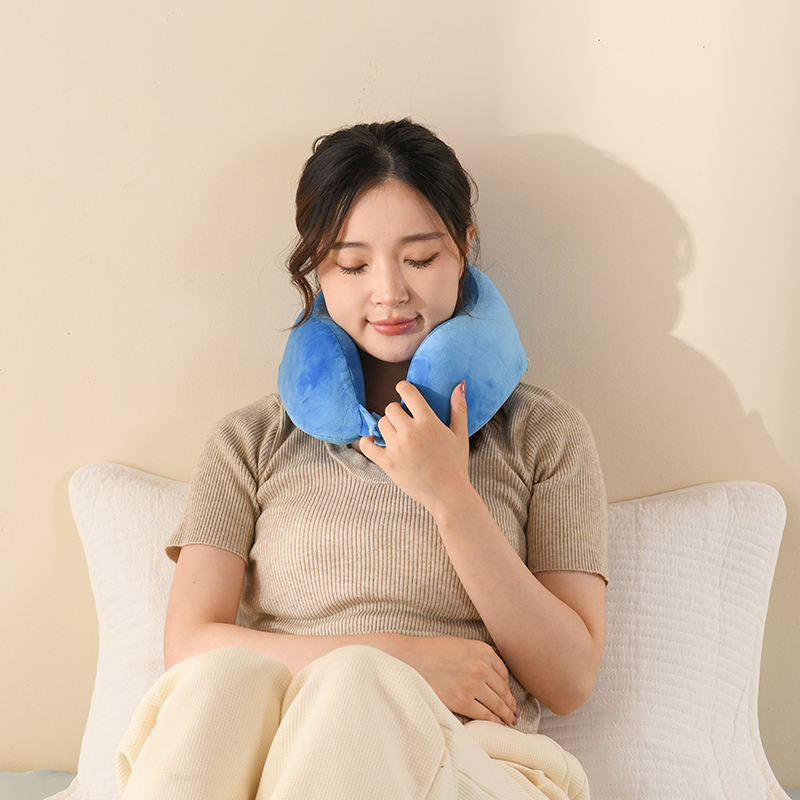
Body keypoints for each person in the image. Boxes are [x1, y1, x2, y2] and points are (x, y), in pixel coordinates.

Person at [114, 119, 609, 800]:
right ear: (318, 270)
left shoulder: (544, 435)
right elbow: (189, 647)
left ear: (464, 248)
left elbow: (570, 679)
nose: (389, 292)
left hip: (477, 764)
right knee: (226, 682)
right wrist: (396, 659)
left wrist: (451, 498)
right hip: (280, 763)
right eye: (353, 266)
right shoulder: (249, 440)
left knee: (356, 684)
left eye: (420, 258)